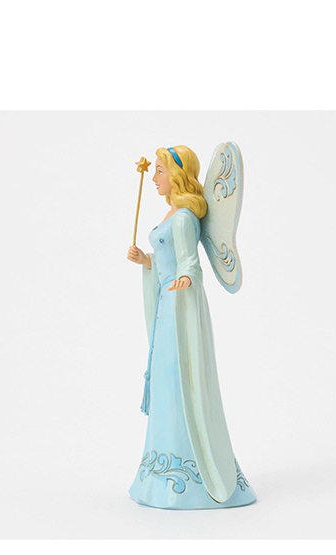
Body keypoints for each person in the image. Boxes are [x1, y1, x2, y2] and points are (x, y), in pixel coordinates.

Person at [126, 145, 256, 510]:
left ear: (177, 175)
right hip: (166, 306)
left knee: (177, 376)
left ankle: (189, 464)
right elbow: (167, 260)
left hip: (178, 308)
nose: (155, 178)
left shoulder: (183, 218)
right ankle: (162, 464)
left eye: (161, 171)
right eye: (155, 171)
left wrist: (185, 278)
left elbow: (189, 263)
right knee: (167, 378)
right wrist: (147, 261)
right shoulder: (172, 214)